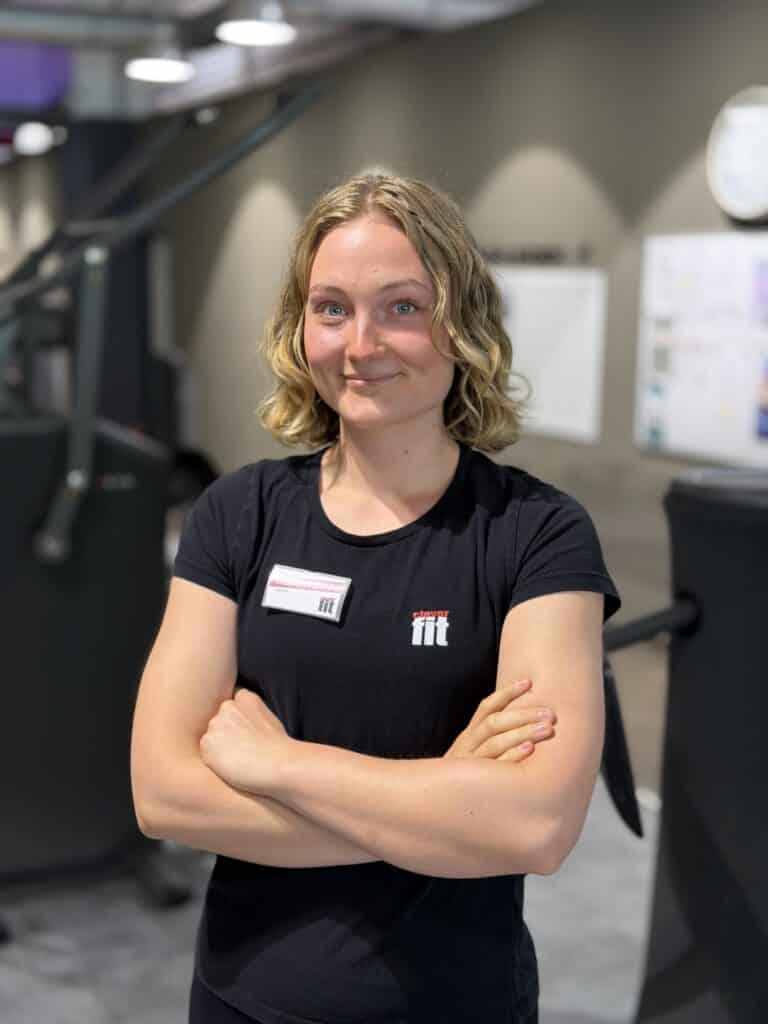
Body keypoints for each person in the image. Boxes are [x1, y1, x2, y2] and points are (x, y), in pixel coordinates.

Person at [130, 171, 621, 1024]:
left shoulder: (537, 533)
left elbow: (534, 828)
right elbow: (164, 794)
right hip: (244, 997)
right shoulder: (238, 513)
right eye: (332, 308)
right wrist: (447, 798)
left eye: (402, 307)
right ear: (301, 326)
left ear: (461, 322)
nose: (361, 343)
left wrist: (278, 766)